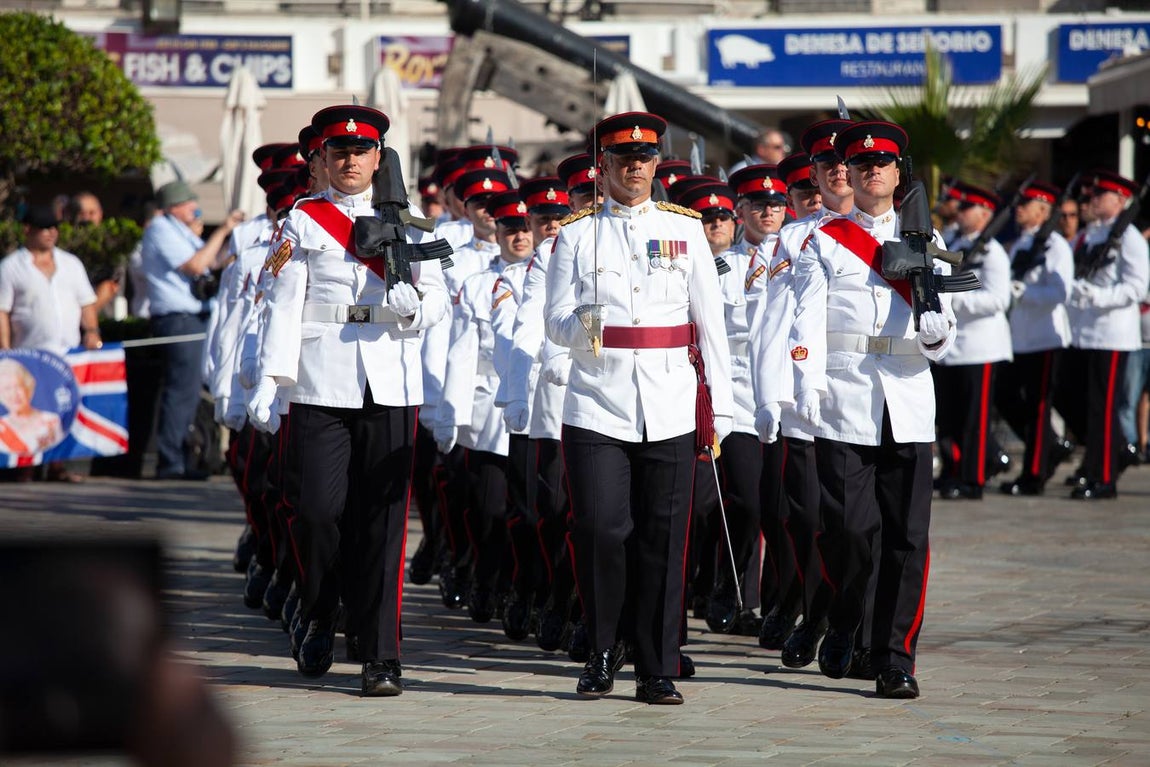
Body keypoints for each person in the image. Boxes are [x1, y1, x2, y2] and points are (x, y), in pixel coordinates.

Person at [247, 104, 449, 696]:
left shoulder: (412, 224)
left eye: (362, 152)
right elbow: (282, 303)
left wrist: (417, 305)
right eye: (339, 152)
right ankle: (319, 608)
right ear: (323, 159)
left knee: (383, 523)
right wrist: (270, 380)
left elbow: (438, 299)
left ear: (379, 159)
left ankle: (381, 654)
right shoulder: (304, 222)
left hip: (390, 379)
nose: (351, 161)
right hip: (319, 378)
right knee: (316, 512)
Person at [545, 111, 733, 705]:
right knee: (600, 529)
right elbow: (552, 323)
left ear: (657, 163)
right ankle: (603, 646)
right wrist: (582, 325)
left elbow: (711, 325)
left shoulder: (686, 229)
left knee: (662, 536)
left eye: (645, 157)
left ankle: (657, 663)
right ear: (602, 166)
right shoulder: (575, 234)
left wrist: (720, 411)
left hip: (671, 401)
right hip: (597, 400)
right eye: (623, 158)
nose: (635, 167)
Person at [788, 120, 957, 698]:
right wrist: (804, 383)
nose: (872, 174)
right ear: (851, 176)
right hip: (845, 397)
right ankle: (844, 614)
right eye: (861, 167)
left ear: (896, 174)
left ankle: (894, 658)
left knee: (907, 538)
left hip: (907, 396)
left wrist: (937, 330)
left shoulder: (927, 241)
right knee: (848, 531)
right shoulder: (825, 239)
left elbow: (943, 331)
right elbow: (804, 319)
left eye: (882, 166)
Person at [140, 181, 244, 480]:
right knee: (181, 390)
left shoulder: (183, 231)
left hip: (196, 316)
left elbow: (212, 262)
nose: (195, 208)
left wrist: (235, 242)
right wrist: (222, 230)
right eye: (189, 203)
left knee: (191, 391)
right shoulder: (161, 228)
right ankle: (169, 461)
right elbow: (197, 266)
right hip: (178, 318)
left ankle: (184, 460)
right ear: (173, 206)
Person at [1058, 169, 1150, 499]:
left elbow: (1137, 288)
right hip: (1085, 333)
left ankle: (1104, 477)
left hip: (1112, 334)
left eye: (1101, 195)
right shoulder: (1093, 235)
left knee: (1104, 408)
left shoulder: (1130, 238)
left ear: (1121, 200)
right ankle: (1097, 464)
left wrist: (1096, 296)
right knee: (1086, 405)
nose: (1093, 200)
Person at [934, 182, 1013, 500]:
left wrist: (955, 300)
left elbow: (998, 299)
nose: (961, 213)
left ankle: (974, 477)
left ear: (984, 214)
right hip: (953, 347)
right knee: (949, 416)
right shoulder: (953, 242)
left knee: (974, 419)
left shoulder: (992, 252)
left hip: (981, 348)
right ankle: (953, 470)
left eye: (968, 209)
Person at [997, 182, 1074, 496]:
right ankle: (1050, 447)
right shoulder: (1021, 244)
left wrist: (1024, 292)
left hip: (1044, 338)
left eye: (1026, 204)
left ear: (1043, 210)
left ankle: (1034, 474)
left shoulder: (1055, 245)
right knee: (1006, 398)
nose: (1019, 209)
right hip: (1020, 337)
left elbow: (1060, 291)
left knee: (1038, 409)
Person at [0, 358, 64, 455]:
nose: (14, 394)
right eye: (7, 389)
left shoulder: (52, 421)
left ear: (28, 387)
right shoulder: (1, 427)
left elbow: (59, 455)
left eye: (18, 386)